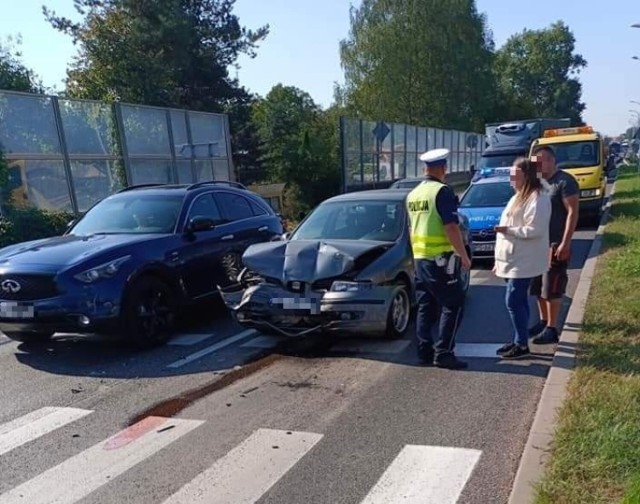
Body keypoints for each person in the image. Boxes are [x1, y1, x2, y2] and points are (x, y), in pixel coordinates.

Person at [406, 148, 472, 370]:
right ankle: (444, 352)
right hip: (440, 260)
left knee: (426, 306)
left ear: (425, 168)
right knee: (454, 305)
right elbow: (451, 226)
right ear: (443, 168)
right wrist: (463, 255)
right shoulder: (442, 192)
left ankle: (424, 351)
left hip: (420, 259)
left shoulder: (413, 194)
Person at [493, 157, 551, 359]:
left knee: (513, 300)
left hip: (524, 260)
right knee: (520, 301)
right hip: (513, 259)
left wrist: (508, 230)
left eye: (515, 174)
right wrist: (499, 261)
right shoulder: (519, 196)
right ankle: (520, 339)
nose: (511, 178)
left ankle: (521, 344)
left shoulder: (538, 198)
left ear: (527, 176)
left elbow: (535, 229)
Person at [528, 145, 579, 344]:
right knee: (536, 287)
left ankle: (552, 328)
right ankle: (543, 321)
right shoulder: (538, 183)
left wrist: (565, 242)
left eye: (539, 161)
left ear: (550, 160)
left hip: (555, 244)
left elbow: (572, 213)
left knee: (552, 287)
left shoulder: (565, 182)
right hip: (537, 245)